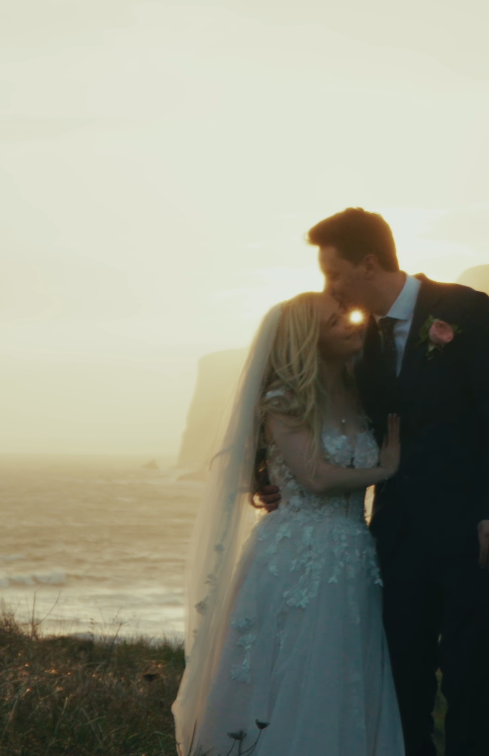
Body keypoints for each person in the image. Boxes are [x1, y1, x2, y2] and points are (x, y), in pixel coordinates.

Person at [261, 208, 489, 755]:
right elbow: (309, 410)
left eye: (335, 274)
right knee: (403, 679)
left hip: (477, 529)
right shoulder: (357, 339)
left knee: (468, 676)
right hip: (398, 535)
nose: (332, 289)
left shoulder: (463, 308)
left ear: (369, 263)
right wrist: (272, 479)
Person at [173, 292, 406, 756]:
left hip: (354, 555)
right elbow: (315, 476)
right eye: (334, 320)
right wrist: (384, 470)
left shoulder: (361, 390)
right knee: (293, 672)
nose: (351, 323)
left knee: (343, 672)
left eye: (348, 313)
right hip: (297, 557)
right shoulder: (284, 400)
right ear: (307, 340)